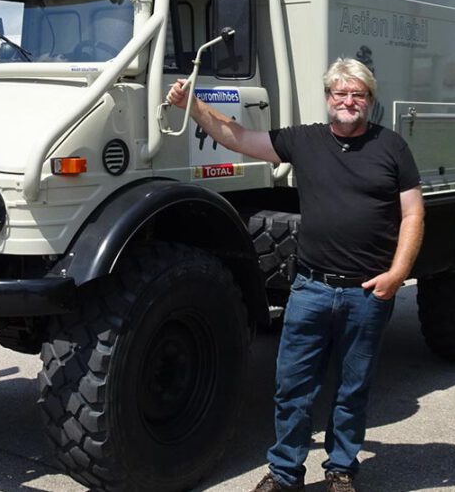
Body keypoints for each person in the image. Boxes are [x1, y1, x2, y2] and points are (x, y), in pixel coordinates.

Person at [165, 58, 424, 492]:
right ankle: (285, 472)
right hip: (310, 288)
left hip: (367, 292)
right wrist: (194, 106)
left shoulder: (392, 147)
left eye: (357, 94)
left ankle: (341, 470)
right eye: (340, 93)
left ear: (370, 101)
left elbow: (414, 213)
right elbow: (240, 137)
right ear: (328, 99)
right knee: (292, 387)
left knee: (353, 388)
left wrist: (397, 274)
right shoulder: (305, 140)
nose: (348, 101)